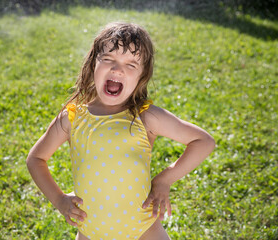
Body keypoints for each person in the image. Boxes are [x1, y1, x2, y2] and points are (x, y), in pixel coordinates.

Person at [26, 22, 215, 240]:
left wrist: (164, 180)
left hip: (144, 230)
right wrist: (59, 200)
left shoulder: (145, 116)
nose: (117, 69)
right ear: (92, 64)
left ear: (141, 77)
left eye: (131, 65)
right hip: (90, 233)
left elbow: (203, 141)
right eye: (108, 59)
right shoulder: (73, 118)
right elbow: (36, 158)